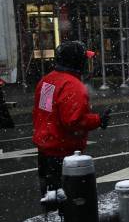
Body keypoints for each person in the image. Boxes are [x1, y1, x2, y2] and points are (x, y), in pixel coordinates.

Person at [33, 41, 111, 198]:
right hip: (64, 155)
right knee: (74, 206)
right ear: (77, 62)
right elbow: (73, 122)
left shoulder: (48, 80)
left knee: (51, 202)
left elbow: (47, 112)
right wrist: (98, 120)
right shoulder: (73, 86)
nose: (86, 63)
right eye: (84, 59)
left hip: (45, 153)